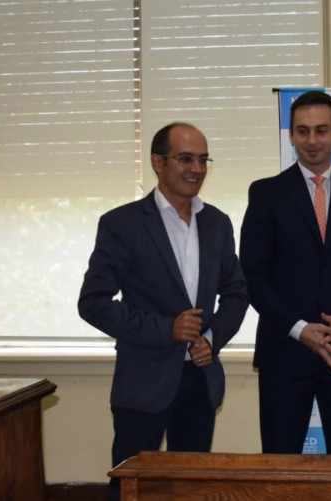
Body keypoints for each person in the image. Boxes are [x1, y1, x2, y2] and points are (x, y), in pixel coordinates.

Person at [78, 122, 248, 500]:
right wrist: (165, 329)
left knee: (191, 489)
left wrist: (212, 338)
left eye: (203, 159)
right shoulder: (122, 224)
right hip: (143, 383)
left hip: (200, 381)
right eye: (185, 158)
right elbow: (92, 303)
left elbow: (237, 293)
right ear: (158, 162)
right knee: (130, 489)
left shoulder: (217, 224)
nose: (196, 169)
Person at [240, 90, 331, 454]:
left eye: (321, 130)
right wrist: (299, 329)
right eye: (302, 131)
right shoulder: (266, 194)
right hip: (284, 352)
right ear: (291, 134)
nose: (311, 140)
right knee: (280, 468)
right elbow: (252, 276)